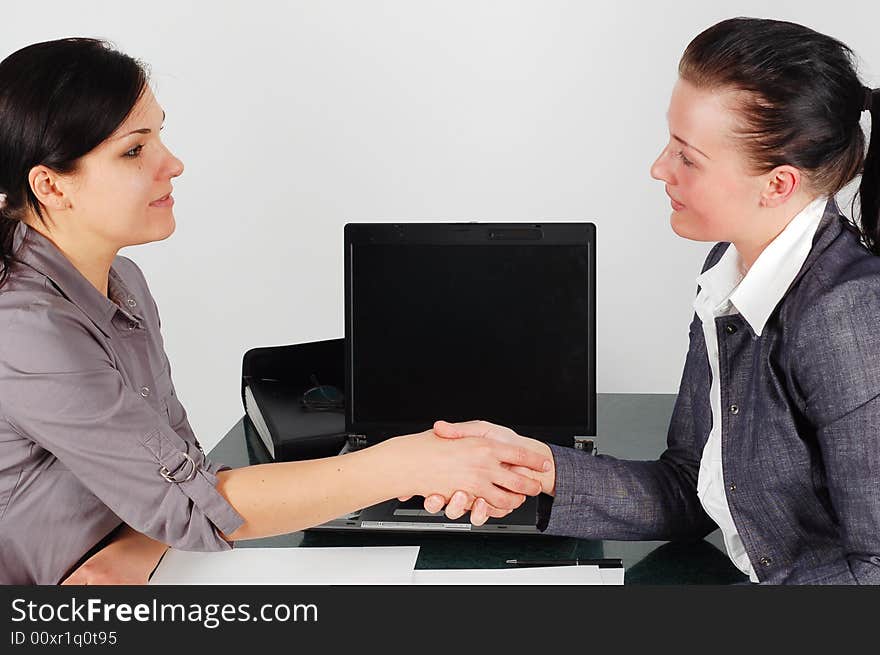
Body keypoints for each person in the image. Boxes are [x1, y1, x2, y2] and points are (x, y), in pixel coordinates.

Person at [0, 38, 552, 585]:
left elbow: (180, 473)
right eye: (134, 149)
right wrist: (409, 463)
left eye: (160, 136)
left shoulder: (123, 284)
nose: (173, 163)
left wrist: (130, 550)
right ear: (50, 186)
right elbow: (191, 505)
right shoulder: (25, 326)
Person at [426, 17, 880, 584]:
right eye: (670, 143)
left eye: (688, 157)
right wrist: (543, 469)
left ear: (778, 184)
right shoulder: (728, 271)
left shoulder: (848, 316)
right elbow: (689, 488)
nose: (659, 168)